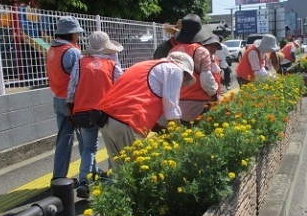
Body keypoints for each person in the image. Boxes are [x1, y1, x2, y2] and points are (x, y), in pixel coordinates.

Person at [92, 52, 196, 167]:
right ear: (185, 73)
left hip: (105, 120)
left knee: (122, 175)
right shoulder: (174, 70)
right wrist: (179, 139)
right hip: (127, 120)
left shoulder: (145, 66)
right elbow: (171, 108)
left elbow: (139, 96)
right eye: (185, 79)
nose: (182, 83)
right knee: (137, 171)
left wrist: (160, 129)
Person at [66, 31, 124, 198]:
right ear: (107, 48)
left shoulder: (80, 63)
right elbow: (120, 88)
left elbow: (71, 90)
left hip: (83, 112)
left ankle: (84, 181)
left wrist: (71, 108)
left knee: (89, 148)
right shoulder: (112, 65)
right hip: (106, 112)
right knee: (112, 146)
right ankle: (113, 180)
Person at [46, 16, 84, 185]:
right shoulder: (72, 52)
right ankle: (88, 173)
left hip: (58, 99)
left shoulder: (52, 50)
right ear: (71, 34)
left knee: (63, 138)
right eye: (77, 33)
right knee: (86, 139)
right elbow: (81, 76)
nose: (78, 36)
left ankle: (59, 176)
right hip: (73, 102)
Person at [170, 14, 218, 124]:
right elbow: (206, 79)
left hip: (178, 102)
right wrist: (214, 94)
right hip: (198, 103)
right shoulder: (201, 51)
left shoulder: (173, 50)